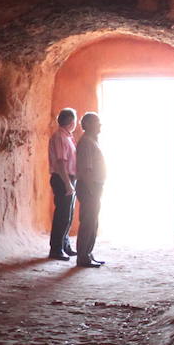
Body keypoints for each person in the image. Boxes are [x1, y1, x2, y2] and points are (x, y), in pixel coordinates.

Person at [74, 112, 108, 268]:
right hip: (89, 186)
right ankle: (83, 257)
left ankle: (87, 253)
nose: (100, 125)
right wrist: (91, 189)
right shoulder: (86, 143)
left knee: (92, 221)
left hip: (93, 186)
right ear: (87, 124)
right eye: (97, 122)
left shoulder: (92, 141)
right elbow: (86, 169)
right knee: (88, 221)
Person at [47, 108, 78, 260]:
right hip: (62, 178)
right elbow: (60, 162)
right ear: (71, 121)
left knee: (68, 214)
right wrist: (67, 183)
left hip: (68, 178)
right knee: (62, 215)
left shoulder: (67, 137)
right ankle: (56, 249)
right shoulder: (60, 137)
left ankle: (64, 245)